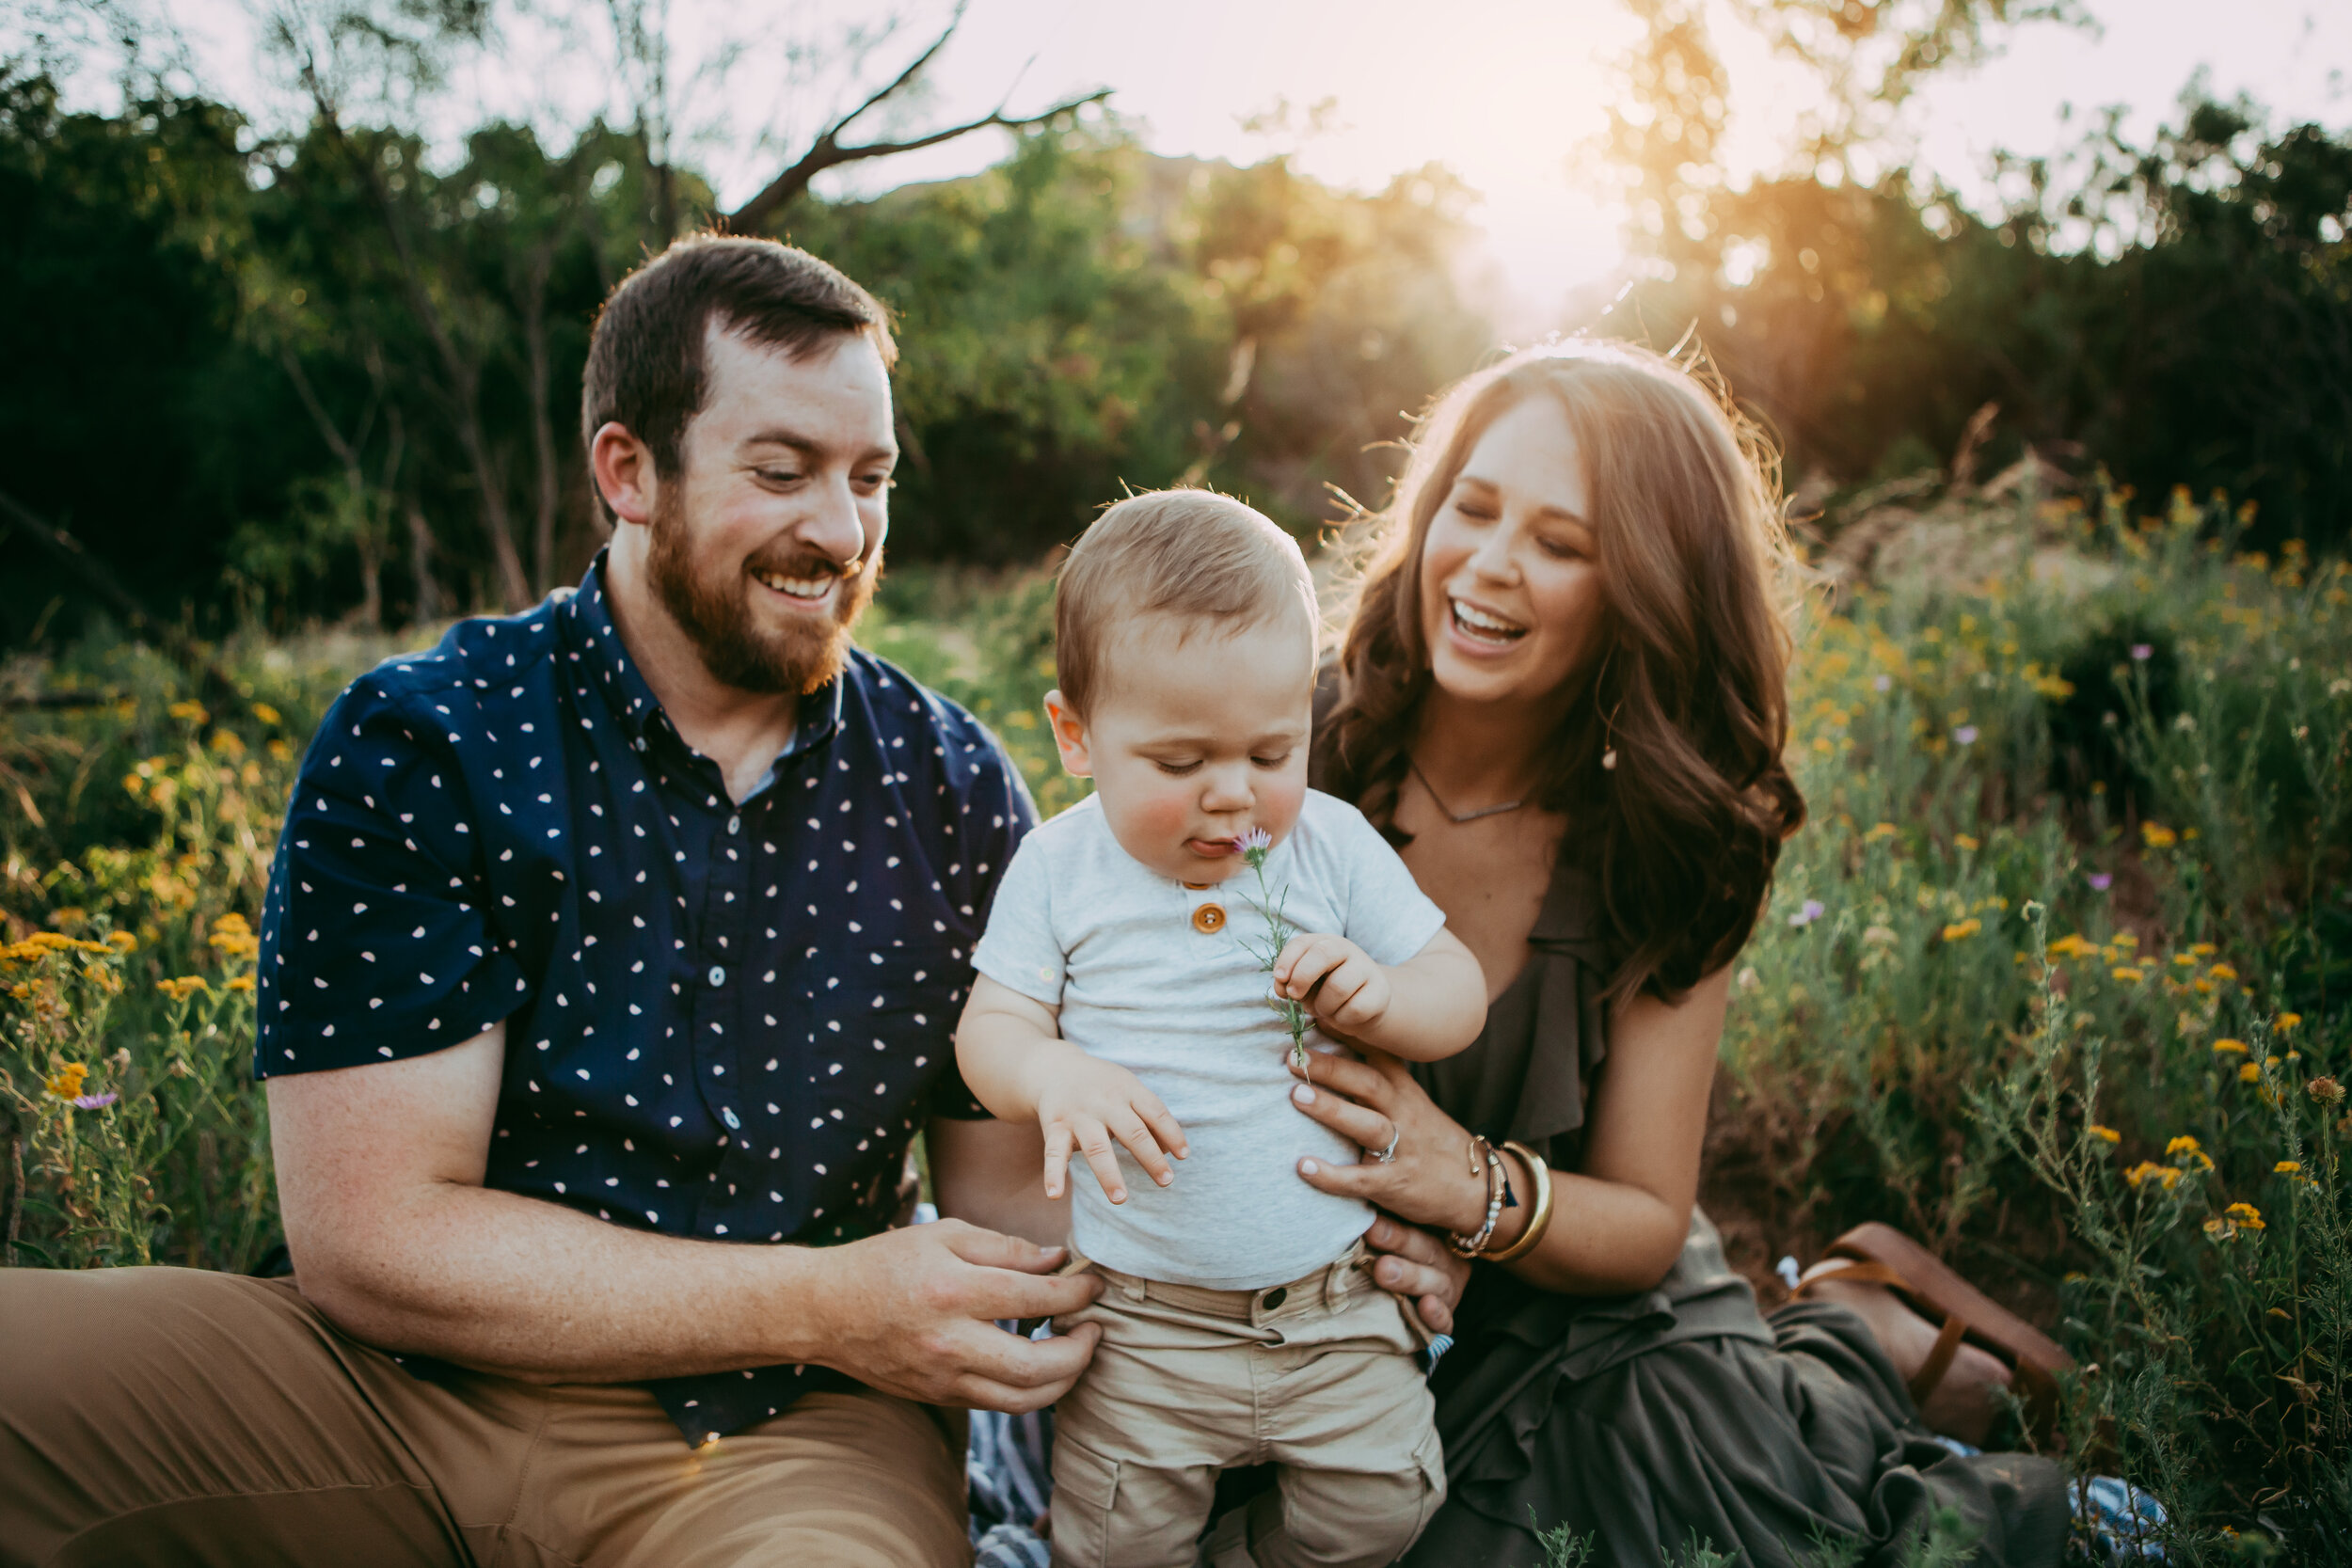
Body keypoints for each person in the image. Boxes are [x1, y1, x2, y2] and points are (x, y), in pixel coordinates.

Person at [0, 235, 1098, 1568]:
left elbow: (1011, 1215)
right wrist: (828, 1292)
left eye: (870, 477)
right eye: (781, 470)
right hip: (391, 1394)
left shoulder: (950, 783)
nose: (840, 527)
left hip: (791, 1429)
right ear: (628, 471)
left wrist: (1305, 1213)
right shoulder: (430, 737)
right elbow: (373, 1240)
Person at [1257, 340, 2075, 1564]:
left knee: (1676, 1503)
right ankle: (1858, 1332)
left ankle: (1857, 1352)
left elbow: (1643, 1212)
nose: (1488, 565)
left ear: (1644, 586)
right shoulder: (1284, 742)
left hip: (1565, 1303)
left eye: (1561, 542)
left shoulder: (1667, 833)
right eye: (1470, 511)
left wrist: (1466, 1183)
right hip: (1273, 1296)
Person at [955, 492, 1487, 1568]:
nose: (1232, 795)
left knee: (1381, 1509)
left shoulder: (1327, 847)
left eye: (1269, 749)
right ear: (1076, 736)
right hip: (1143, 1326)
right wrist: (1050, 1069)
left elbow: (1455, 986)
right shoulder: (1060, 870)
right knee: (1113, 1537)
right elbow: (991, 1028)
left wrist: (1380, 995)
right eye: (1180, 760)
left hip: (1336, 1308)